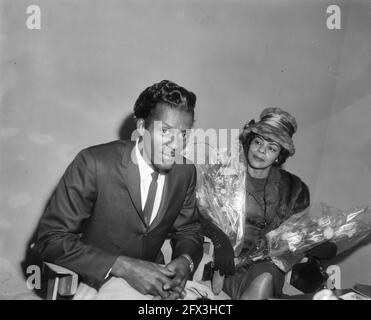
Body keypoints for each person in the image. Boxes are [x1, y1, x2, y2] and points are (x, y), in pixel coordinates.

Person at [34, 80, 204, 300]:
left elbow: (189, 230)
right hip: (93, 283)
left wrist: (185, 262)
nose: (176, 144)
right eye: (165, 131)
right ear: (142, 127)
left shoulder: (185, 172)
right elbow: (50, 239)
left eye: (183, 134)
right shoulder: (94, 163)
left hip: (157, 285)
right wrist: (123, 267)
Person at [200, 107, 310, 300]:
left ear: (279, 156)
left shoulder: (295, 190)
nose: (261, 150)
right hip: (225, 264)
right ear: (249, 142)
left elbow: (296, 238)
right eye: (258, 142)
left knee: (266, 276)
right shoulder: (222, 174)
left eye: (272, 148)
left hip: (267, 266)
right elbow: (198, 213)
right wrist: (220, 241)